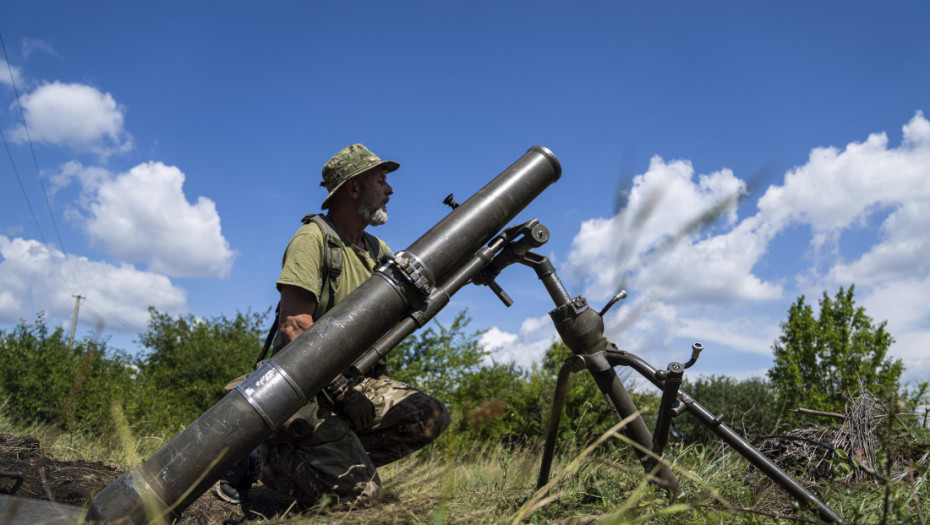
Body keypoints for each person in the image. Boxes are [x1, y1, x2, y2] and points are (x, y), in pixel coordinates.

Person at [216, 144, 450, 507]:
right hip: (309, 389)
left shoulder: (377, 249)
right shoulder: (313, 239)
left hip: (357, 382)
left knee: (429, 415)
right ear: (354, 188)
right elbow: (294, 325)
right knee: (362, 498)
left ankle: (328, 460)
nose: (390, 190)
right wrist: (341, 390)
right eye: (381, 180)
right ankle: (263, 458)